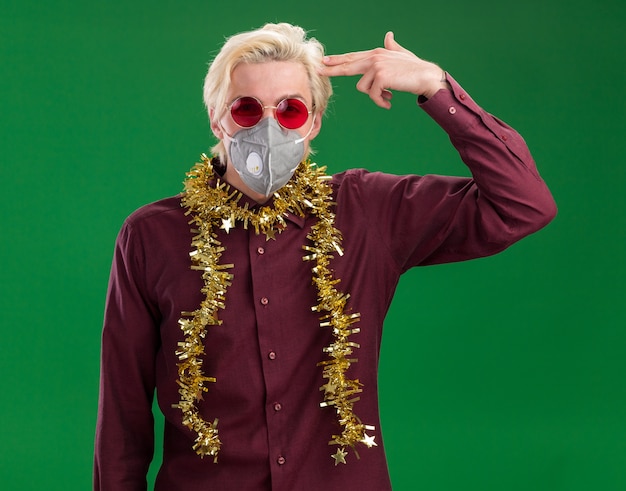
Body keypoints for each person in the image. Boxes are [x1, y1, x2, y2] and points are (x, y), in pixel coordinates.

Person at [94, 22, 556, 491]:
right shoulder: (151, 235)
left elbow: (523, 204)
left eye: (290, 109)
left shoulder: (367, 210)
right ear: (217, 118)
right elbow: (123, 414)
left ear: (313, 121)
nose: (269, 126)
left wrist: (434, 86)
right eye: (247, 109)